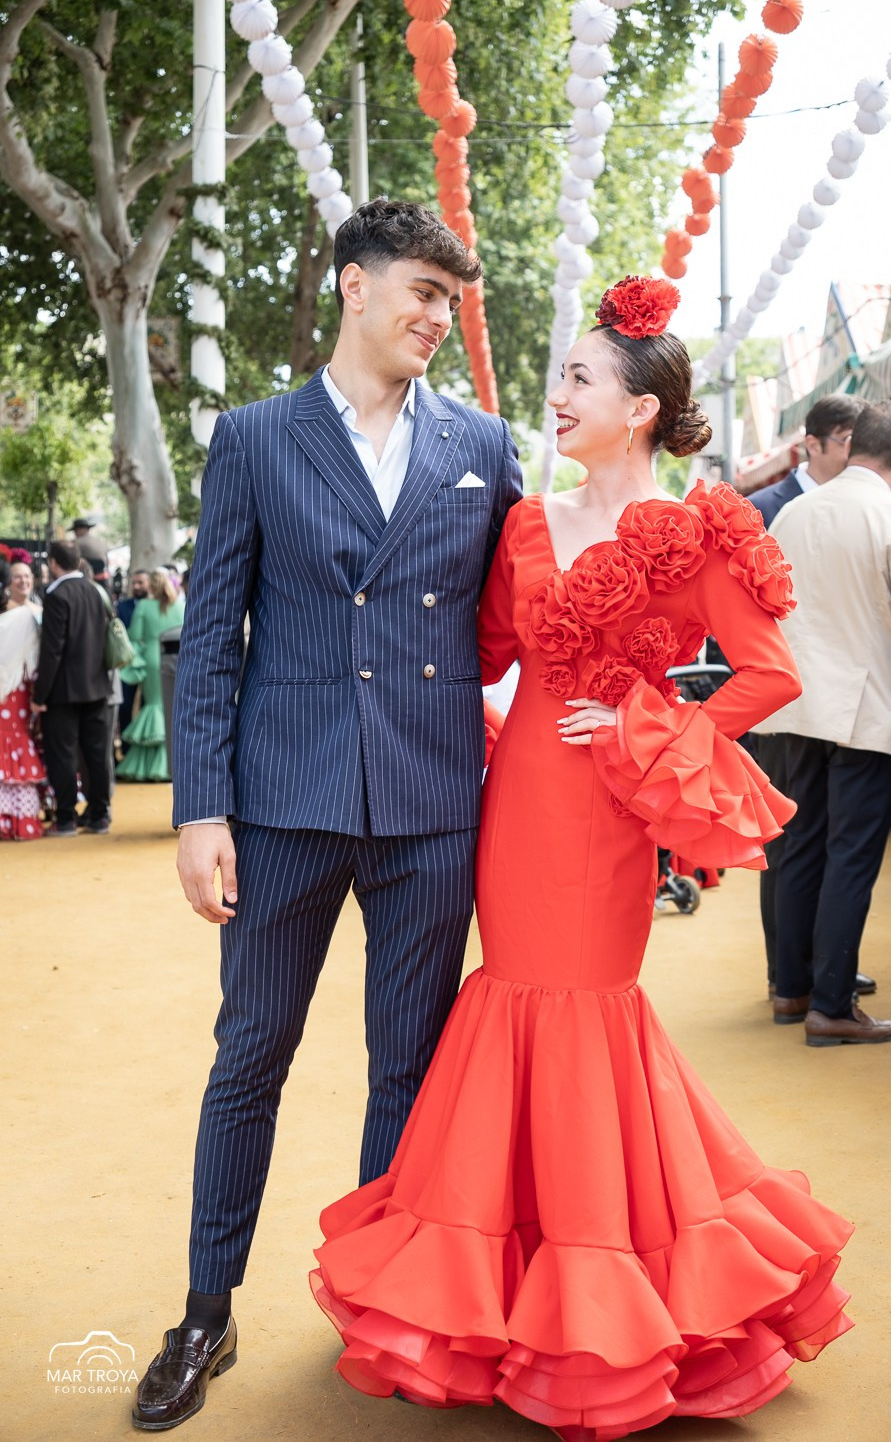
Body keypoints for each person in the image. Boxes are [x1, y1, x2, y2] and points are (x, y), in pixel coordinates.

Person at [308, 277, 853, 1438]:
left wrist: (645, 725)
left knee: (587, 1011)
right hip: (517, 807)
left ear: (641, 407)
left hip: (607, 817)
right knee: (508, 997)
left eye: (580, 380)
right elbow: (483, 649)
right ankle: (502, 1298)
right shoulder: (526, 521)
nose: (557, 398)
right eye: (561, 378)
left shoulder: (705, 529)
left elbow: (771, 675)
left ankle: (605, 1297)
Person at [131, 199, 524, 1431]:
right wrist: (204, 809)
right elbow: (213, 646)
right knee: (251, 1056)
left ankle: (381, 1307)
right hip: (284, 800)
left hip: (430, 808)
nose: (435, 319)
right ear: (354, 285)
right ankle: (207, 1308)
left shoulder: (487, 443)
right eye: (420, 292)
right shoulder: (253, 438)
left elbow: (518, 621)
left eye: (450, 303)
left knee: (404, 1071)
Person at [764, 401, 891, 1044]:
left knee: (801, 845)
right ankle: (833, 1006)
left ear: (852, 445)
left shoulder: (793, 511)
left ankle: (792, 989)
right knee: (851, 856)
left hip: (794, 701)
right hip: (865, 708)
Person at [748, 394, 871, 999]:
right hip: (785, 699)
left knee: (830, 836)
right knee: (792, 836)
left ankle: (827, 965)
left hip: (846, 701)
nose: (853, 452)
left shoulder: (868, 503)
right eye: (845, 440)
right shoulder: (765, 508)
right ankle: (788, 976)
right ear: (813, 444)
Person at [31, 539, 112, 835]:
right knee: (97, 752)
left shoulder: (56, 595)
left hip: (64, 689)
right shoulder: (96, 591)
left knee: (62, 754)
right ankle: (100, 813)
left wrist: (40, 696)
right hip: (97, 685)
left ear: (53, 563)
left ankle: (65, 816)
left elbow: (52, 650)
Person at [748, 392, 865, 528]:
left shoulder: (863, 506)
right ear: (813, 445)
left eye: (861, 443)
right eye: (847, 441)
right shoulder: (758, 509)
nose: (857, 451)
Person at [115, 569, 184, 782]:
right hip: (177, 658)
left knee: (153, 705)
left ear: (151, 587)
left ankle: (153, 766)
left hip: (153, 660)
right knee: (171, 709)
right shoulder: (181, 606)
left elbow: (135, 635)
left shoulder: (144, 606)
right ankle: (173, 764)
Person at [0, 556, 45, 840]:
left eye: (27, 576)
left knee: (26, 739)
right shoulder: (4, 614)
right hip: (6, 691)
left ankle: (23, 818)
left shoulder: (40, 612)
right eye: (18, 577)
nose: (23, 581)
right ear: (8, 582)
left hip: (29, 689)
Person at [115, 570, 150, 753]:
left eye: (141, 582)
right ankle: (127, 751)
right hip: (128, 664)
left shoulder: (156, 605)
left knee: (149, 706)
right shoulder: (122, 606)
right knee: (125, 706)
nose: (136, 586)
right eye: (134, 583)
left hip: (150, 664)